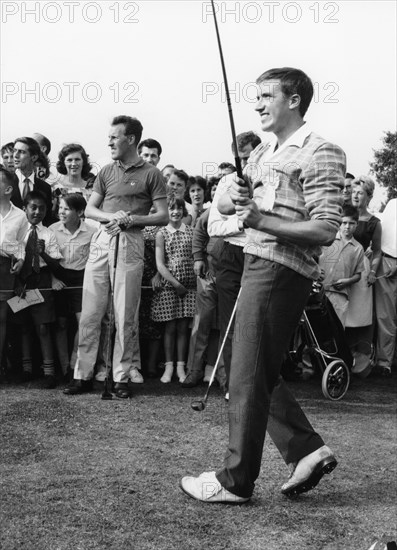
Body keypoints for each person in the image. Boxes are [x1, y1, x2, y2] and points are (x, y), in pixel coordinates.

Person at [181, 67, 345, 503]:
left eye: (266, 95)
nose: (256, 104)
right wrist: (229, 193)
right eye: (255, 96)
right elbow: (223, 208)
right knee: (250, 368)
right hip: (253, 264)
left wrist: (261, 220)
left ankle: (236, 480)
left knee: (246, 371)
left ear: (294, 100)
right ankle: (307, 451)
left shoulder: (321, 152)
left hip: (280, 270)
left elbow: (326, 228)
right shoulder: (261, 153)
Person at [64, 115, 168, 399]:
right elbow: (90, 210)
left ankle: (120, 376)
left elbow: (163, 215)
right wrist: (114, 216)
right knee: (90, 313)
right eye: (109, 137)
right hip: (101, 240)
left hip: (131, 242)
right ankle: (82, 374)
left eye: (115, 137)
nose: (109, 141)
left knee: (125, 314)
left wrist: (130, 219)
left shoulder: (152, 174)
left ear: (131, 139)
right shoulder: (106, 171)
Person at [13, 191, 62, 388]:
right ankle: (26, 369)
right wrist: (15, 282)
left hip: (41, 279)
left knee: (43, 326)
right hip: (21, 279)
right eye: (33, 207)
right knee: (24, 325)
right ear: (24, 208)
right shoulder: (17, 231)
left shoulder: (49, 234)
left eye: (42, 208)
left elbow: (57, 266)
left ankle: (49, 372)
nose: (37, 212)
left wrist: (44, 254)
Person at [50, 194, 97, 381]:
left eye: (67, 209)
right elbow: (48, 259)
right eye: (60, 208)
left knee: (82, 323)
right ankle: (63, 368)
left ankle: (74, 364)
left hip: (81, 279)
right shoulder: (52, 229)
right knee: (60, 323)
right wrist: (53, 279)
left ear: (80, 212)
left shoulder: (92, 231)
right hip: (59, 277)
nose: (61, 212)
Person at [151, 195, 196, 383]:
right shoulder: (162, 233)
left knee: (183, 327)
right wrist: (176, 284)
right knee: (170, 326)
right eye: (171, 208)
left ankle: (180, 367)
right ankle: (168, 367)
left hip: (189, 284)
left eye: (178, 208)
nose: (175, 212)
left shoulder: (191, 231)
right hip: (171, 284)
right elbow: (160, 264)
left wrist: (185, 285)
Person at [345, 176, 382, 377]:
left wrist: (373, 272)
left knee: (359, 315)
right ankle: (340, 356)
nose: (356, 196)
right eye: (353, 192)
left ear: (368, 196)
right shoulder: (343, 216)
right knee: (340, 312)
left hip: (363, 272)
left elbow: (377, 252)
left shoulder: (374, 222)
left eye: (360, 192)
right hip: (342, 267)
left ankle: (360, 362)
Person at [0, 168, 28, 377]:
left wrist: (20, 261)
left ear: (8, 189)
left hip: (4, 268)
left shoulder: (20, 216)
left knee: (1, 318)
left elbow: (21, 245)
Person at [319, 205, 365, 327]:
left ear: (357, 224)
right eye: (344, 223)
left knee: (336, 330)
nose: (347, 227)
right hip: (319, 290)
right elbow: (313, 258)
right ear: (339, 222)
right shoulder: (328, 239)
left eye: (351, 223)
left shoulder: (358, 248)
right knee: (316, 329)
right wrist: (316, 270)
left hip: (340, 295)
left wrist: (347, 281)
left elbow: (358, 275)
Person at [374, 197, 397, 377]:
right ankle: (383, 361)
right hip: (387, 260)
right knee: (385, 315)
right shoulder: (392, 204)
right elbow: (383, 237)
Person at [11, 137, 53, 226]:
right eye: (15, 150)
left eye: (22, 152)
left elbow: (47, 218)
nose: (15, 155)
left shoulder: (45, 187)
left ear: (33, 157)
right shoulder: (4, 182)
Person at [53, 143, 93, 219]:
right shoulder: (56, 187)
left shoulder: (91, 189)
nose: (74, 164)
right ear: (63, 163)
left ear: (83, 161)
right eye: (69, 160)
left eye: (77, 159)